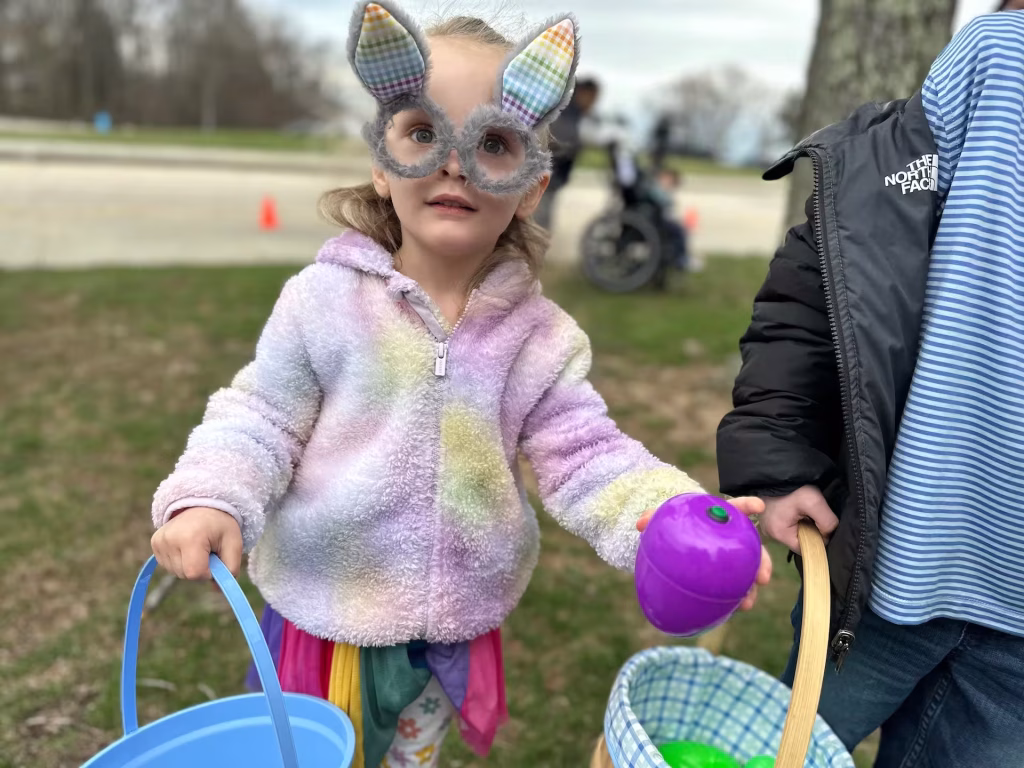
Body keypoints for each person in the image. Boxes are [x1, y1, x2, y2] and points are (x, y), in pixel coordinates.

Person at [147, 3, 770, 767]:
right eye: (422, 133)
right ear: (382, 163)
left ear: (533, 185)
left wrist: (665, 513)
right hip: (325, 620)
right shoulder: (321, 303)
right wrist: (210, 492)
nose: (452, 163)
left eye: (494, 144)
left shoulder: (541, 340)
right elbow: (261, 416)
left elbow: (587, 456)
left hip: (450, 635)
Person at [716, 11, 1024, 767]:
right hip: (894, 575)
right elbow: (839, 263)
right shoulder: (999, 60)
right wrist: (782, 460)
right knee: (779, 755)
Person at [531, 76, 600, 231]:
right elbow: (558, 136)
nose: (593, 103)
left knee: (543, 212)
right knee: (539, 215)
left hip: (555, 175)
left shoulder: (575, 113)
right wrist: (573, 145)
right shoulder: (565, 109)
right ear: (584, 93)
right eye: (593, 97)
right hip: (547, 173)